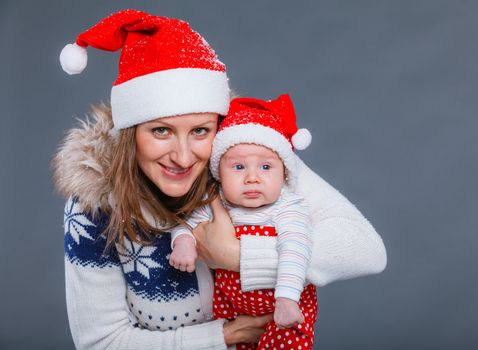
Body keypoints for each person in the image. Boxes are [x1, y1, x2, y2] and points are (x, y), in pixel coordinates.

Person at [54, 9, 387, 350]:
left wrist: (234, 255)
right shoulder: (94, 209)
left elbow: (366, 250)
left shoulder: (246, 160)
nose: (183, 157)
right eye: (161, 131)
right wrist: (225, 336)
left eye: (200, 131)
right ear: (131, 133)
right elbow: (101, 343)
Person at [170, 94, 317, 349]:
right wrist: (183, 243)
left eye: (266, 167)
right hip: (231, 309)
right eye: (238, 167)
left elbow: (295, 250)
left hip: (280, 311)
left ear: (284, 174)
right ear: (218, 173)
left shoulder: (287, 207)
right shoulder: (217, 201)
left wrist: (286, 298)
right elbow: (186, 223)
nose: (252, 178)